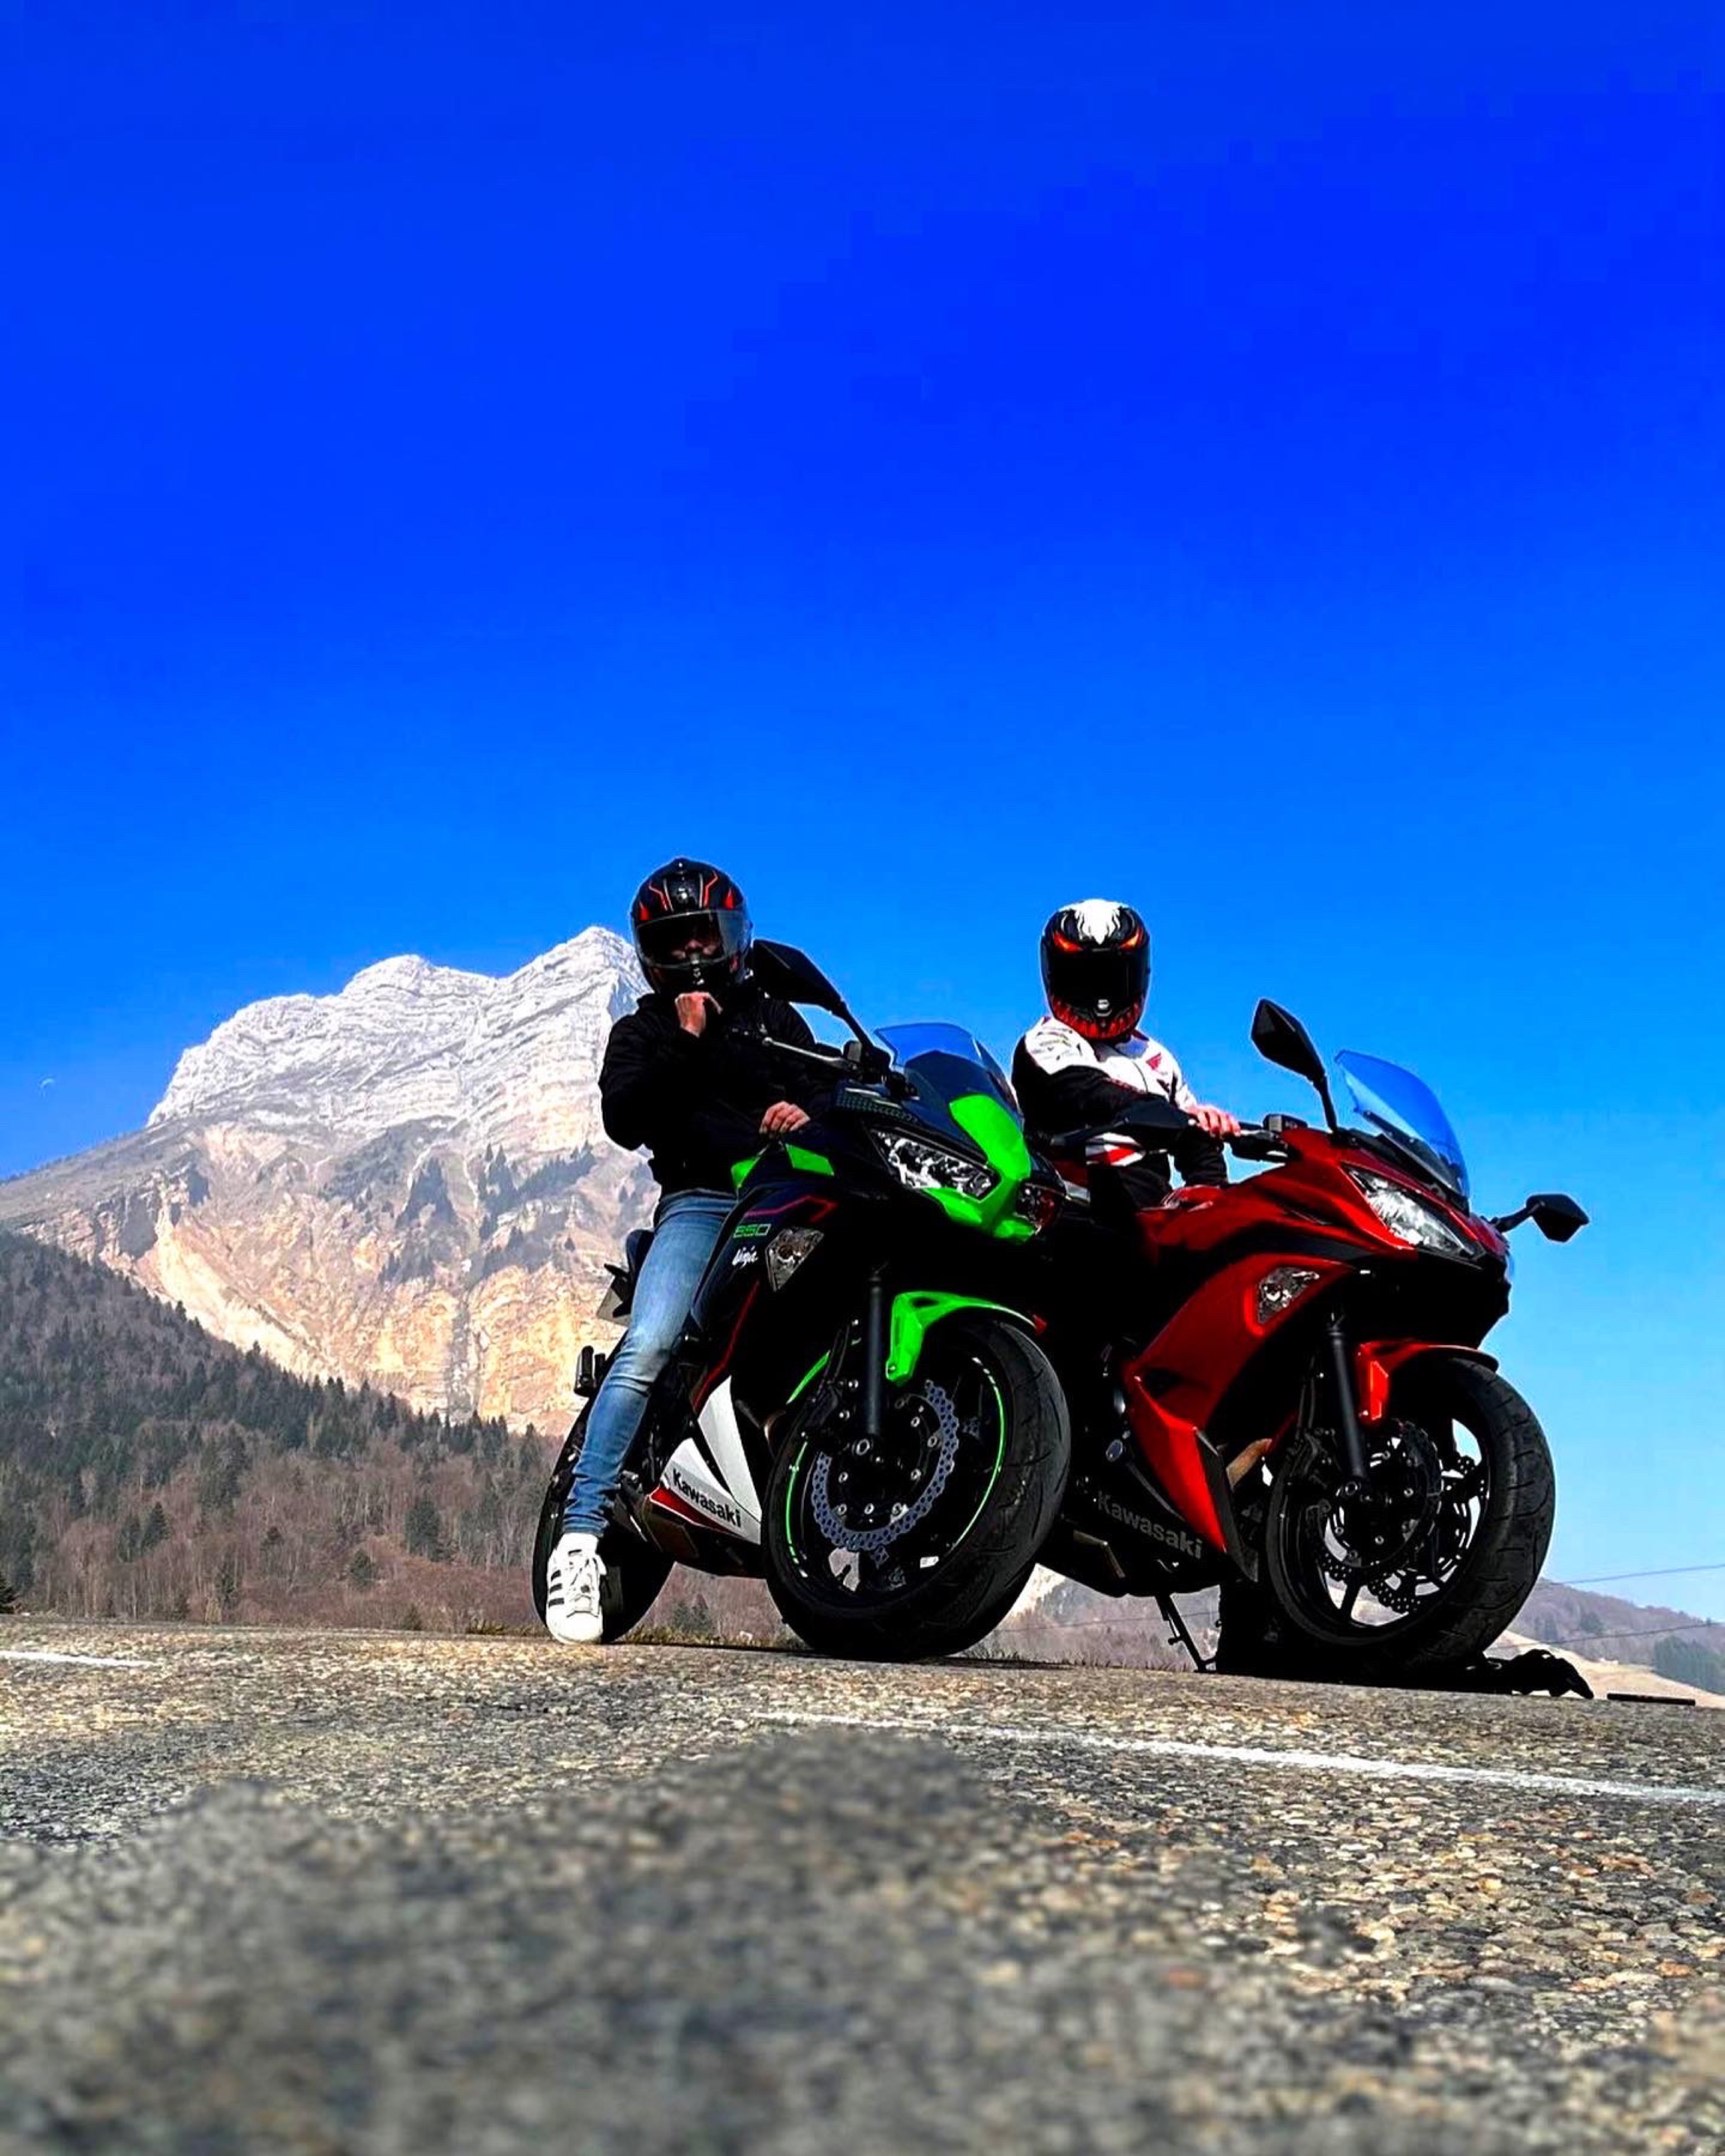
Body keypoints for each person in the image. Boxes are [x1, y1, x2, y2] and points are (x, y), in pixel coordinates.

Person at [543, 858, 823, 1645]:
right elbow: (626, 1116)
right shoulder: (643, 1031)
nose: (695, 951)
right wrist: (688, 1037)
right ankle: (579, 1540)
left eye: (706, 934)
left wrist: (805, 1112)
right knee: (651, 1343)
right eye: (677, 940)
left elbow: (827, 1089)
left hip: (791, 1192)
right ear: (652, 953)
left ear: (734, 936)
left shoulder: (775, 1017)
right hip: (703, 1203)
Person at [1011, 899, 1241, 1226]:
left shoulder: (1158, 1059)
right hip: (1071, 1211)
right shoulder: (1047, 1039)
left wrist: (1210, 1197)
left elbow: (1197, 1145)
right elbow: (1081, 1092)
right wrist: (1170, 1117)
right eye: (1084, 978)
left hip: (1151, 1220)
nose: (1100, 995)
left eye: (1113, 977)